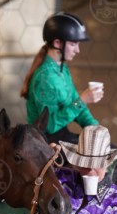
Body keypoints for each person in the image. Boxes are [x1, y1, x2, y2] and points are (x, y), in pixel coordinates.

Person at [20, 12, 104, 144]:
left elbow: (74, 102)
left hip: (61, 136)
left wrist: (94, 127)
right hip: (45, 143)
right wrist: (82, 100)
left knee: (110, 149)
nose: (77, 50)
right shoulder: (45, 78)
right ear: (58, 43)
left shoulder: (62, 69)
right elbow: (50, 125)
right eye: (73, 44)